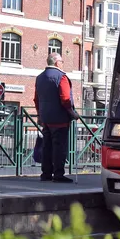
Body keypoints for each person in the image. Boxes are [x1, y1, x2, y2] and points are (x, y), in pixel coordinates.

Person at [33, 52, 79, 183]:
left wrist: (39, 115)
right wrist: (72, 113)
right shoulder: (61, 77)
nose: (63, 64)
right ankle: (58, 174)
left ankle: (46, 173)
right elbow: (65, 99)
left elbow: (36, 99)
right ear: (58, 63)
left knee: (47, 146)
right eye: (62, 61)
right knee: (59, 146)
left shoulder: (40, 78)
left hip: (46, 118)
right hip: (60, 118)